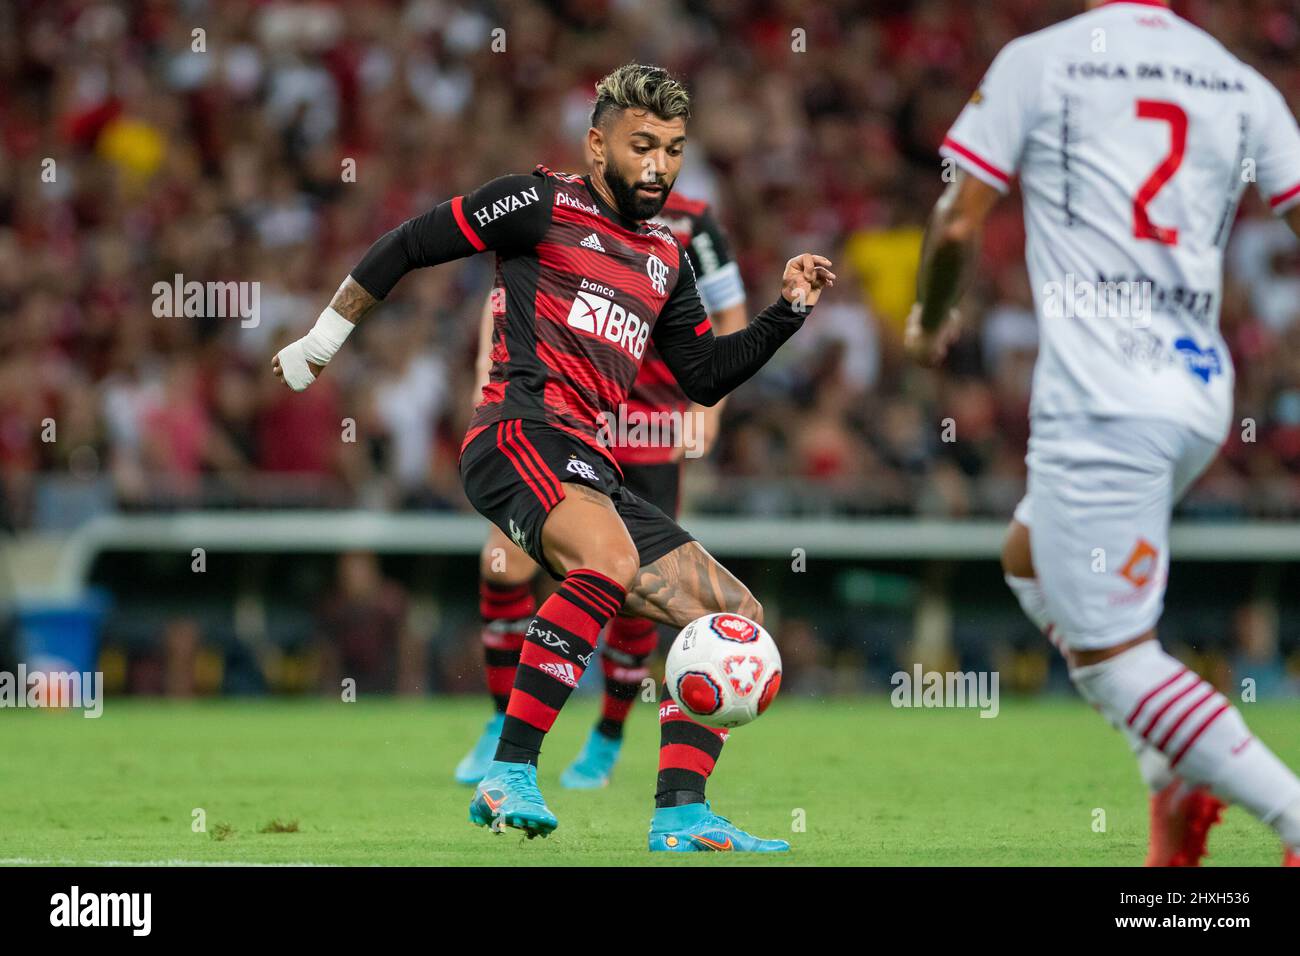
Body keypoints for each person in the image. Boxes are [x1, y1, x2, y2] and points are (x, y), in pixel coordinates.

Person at [273, 63, 833, 851]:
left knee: (735, 614)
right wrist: (322, 340)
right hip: (517, 434)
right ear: (597, 145)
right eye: (642, 145)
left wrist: (788, 312)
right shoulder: (538, 203)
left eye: (673, 149)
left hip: (590, 463)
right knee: (601, 563)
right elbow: (409, 242)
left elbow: (704, 377)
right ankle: (510, 772)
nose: (659, 165)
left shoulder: (666, 259)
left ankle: (678, 812)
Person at [907, 0, 1300, 866]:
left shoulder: (1038, 61)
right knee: (1028, 555)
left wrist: (929, 317)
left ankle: (1284, 815)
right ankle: (1173, 775)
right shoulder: (1238, 80)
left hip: (1104, 397)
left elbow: (960, 220)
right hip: (1198, 387)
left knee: (1113, 660)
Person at [455, 186, 749, 791]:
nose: (654, 161)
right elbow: (509, 292)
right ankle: (500, 724)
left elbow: (729, 310)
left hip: (651, 427)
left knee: (639, 583)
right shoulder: (563, 210)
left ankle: (608, 734)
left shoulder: (692, 224)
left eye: (666, 145)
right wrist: (489, 368)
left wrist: (710, 412)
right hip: (566, 413)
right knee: (505, 562)